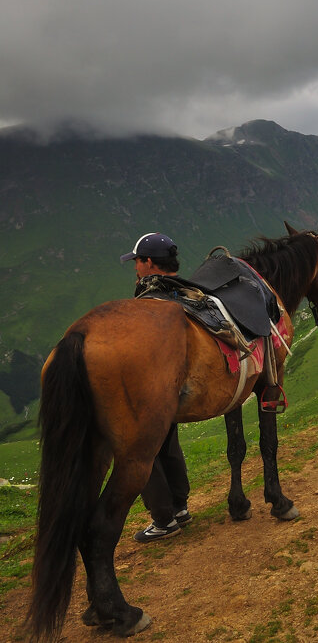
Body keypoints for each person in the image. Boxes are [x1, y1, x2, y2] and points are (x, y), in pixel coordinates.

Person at [120, 232, 193, 543]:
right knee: (168, 442)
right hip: (179, 384)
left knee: (137, 445)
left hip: (155, 385)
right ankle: (180, 507)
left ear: (149, 263)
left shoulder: (149, 304)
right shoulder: (187, 293)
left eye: (137, 261)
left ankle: (164, 519)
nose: (135, 267)